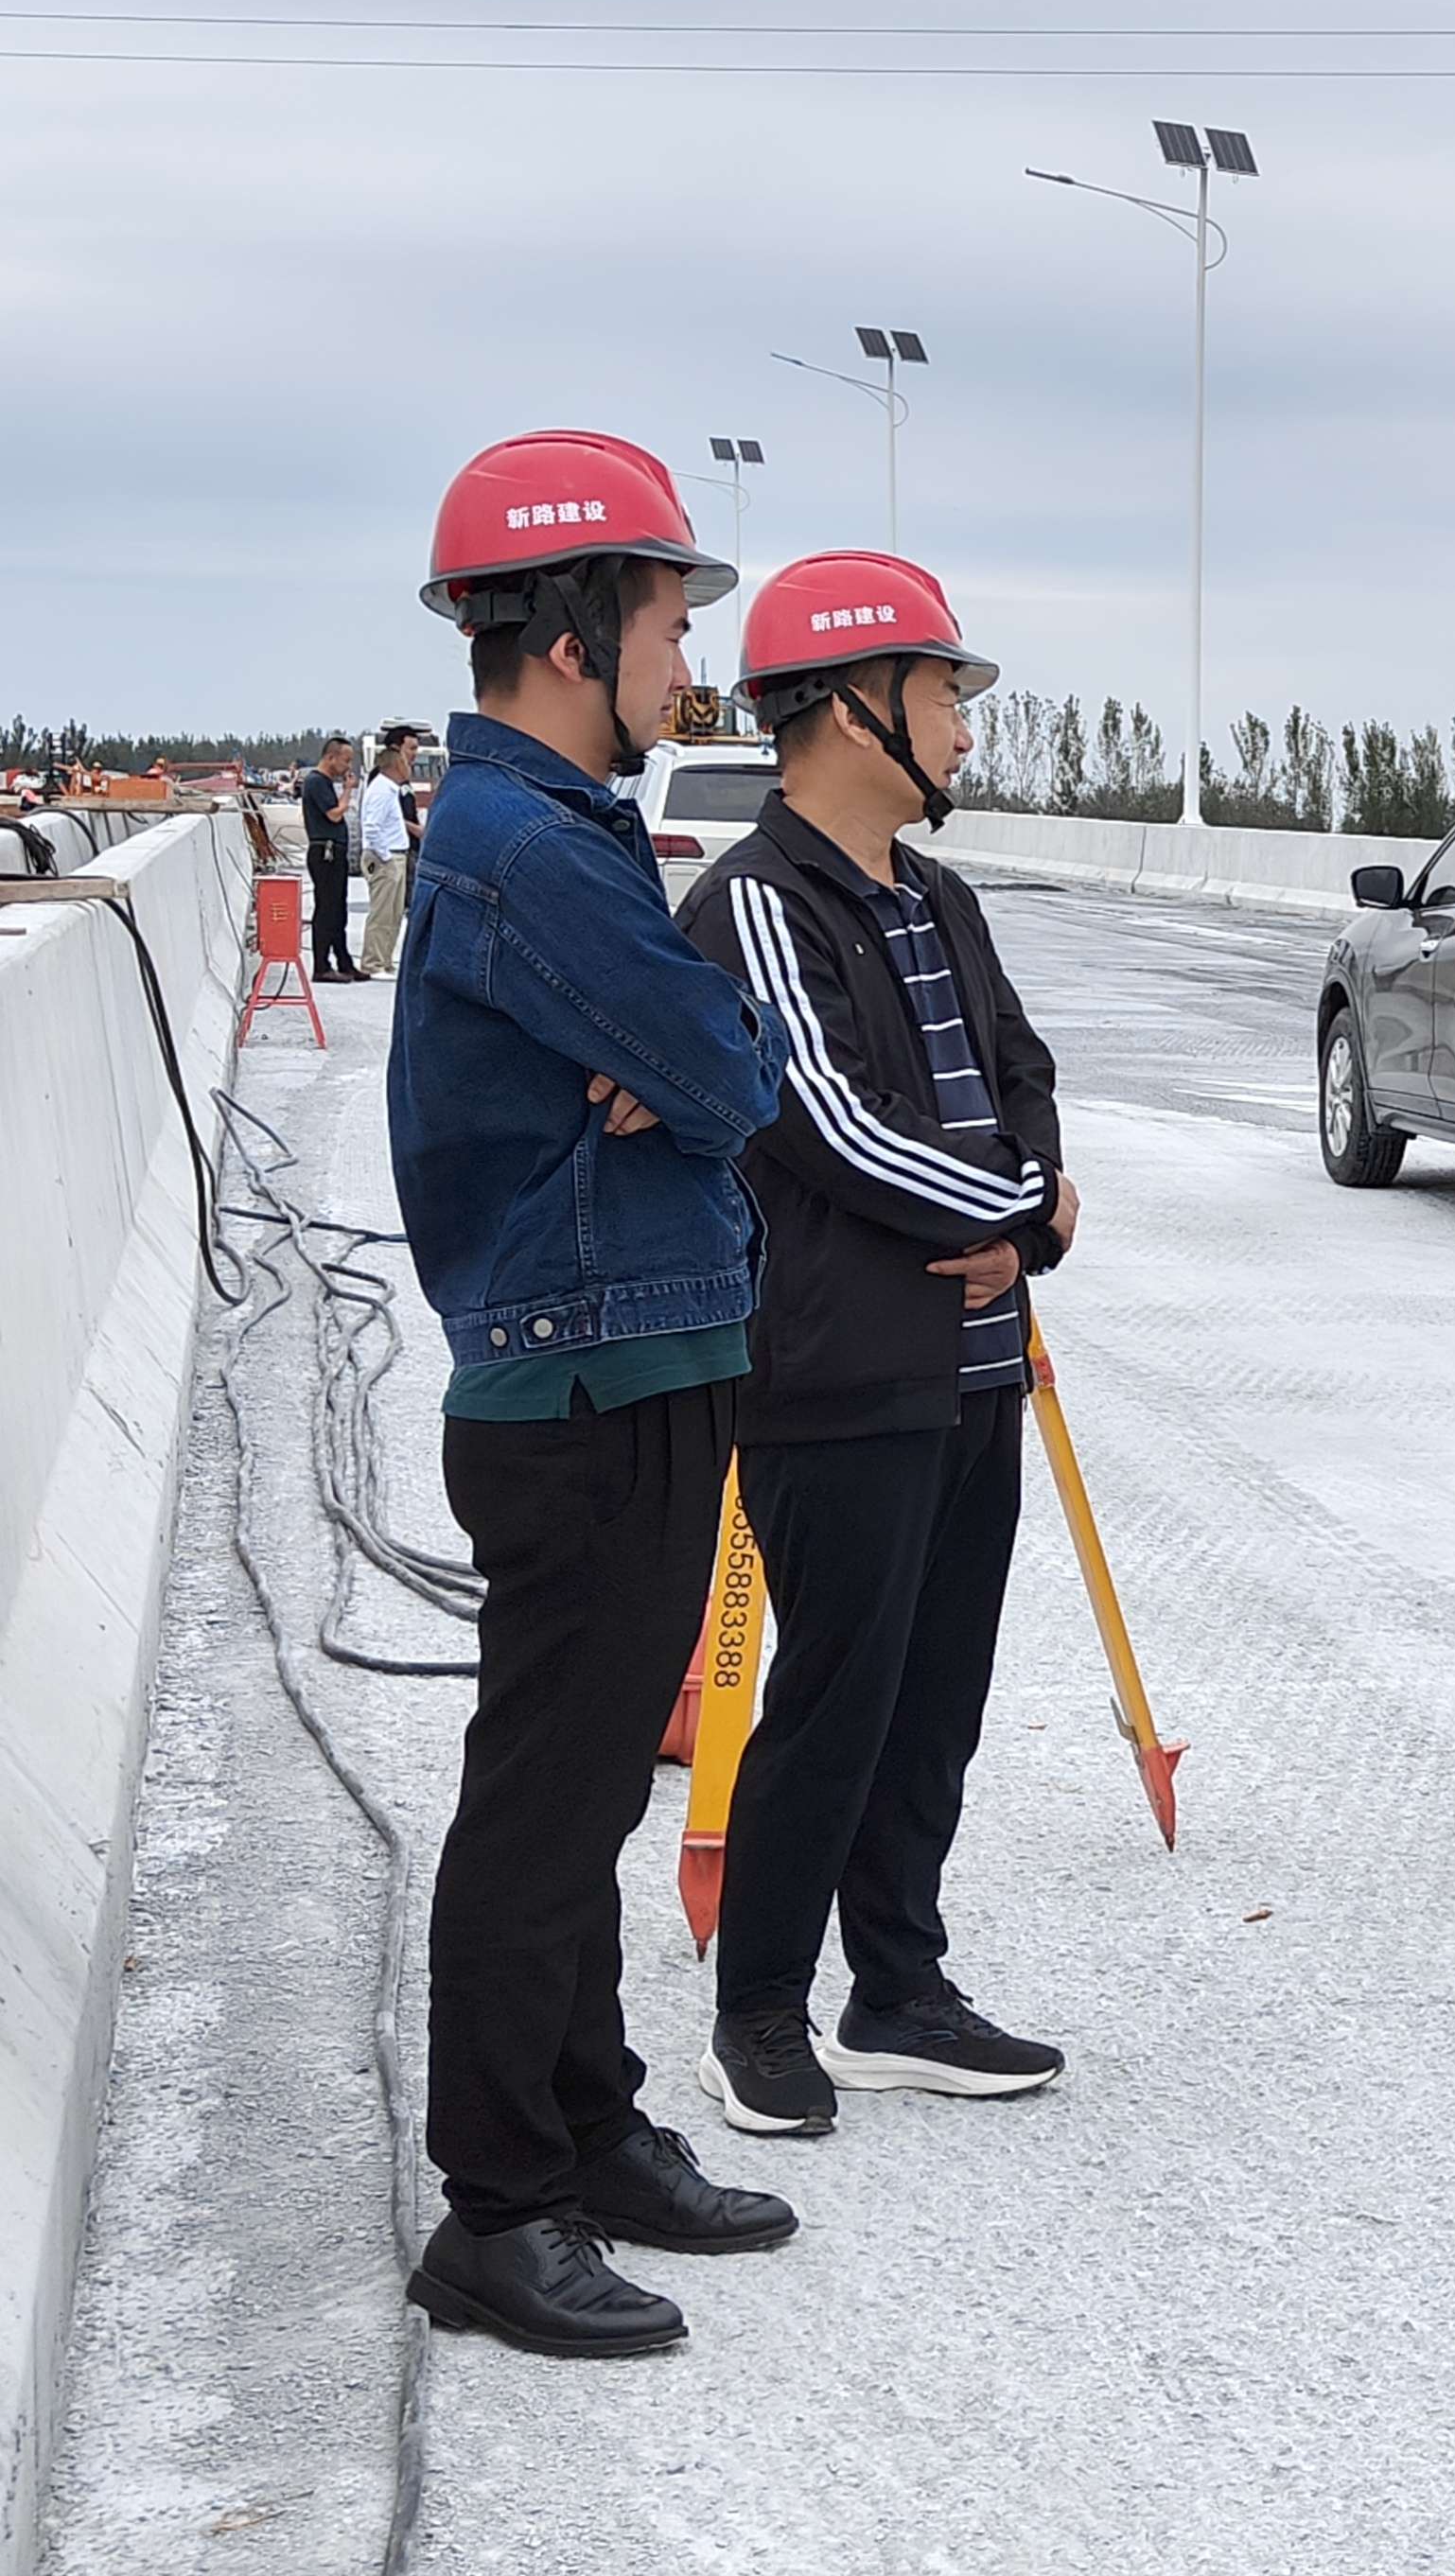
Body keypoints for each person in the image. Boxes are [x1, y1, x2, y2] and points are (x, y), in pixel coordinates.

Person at [389, 430, 797, 2359]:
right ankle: (497, 2204)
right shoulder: (531, 849)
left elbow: (713, 1055)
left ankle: (586, 2123)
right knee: (546, 1804)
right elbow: (733, 1072)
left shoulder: (557, 831)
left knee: (580, 1791)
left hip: (633, 1353)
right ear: (572, 633)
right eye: (665, 620)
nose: (683, 661)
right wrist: (694, 1061)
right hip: (583, 1378)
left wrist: (695, 1056)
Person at [679, 551, 1078, 2136]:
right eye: (942, 695)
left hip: (973, 1367)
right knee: (836, 1695)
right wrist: (1013, 1209)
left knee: (936, 1693)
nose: (965, 729)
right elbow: (828, 1124)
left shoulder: (938, 897)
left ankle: (897, 1989)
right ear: (854, 708)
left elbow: (1023, 1070)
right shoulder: (755, 904)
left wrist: (1028, 1226)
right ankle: (758, 2012)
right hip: (837, 1371)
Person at [359, 722, 421, 974]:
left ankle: (384, 961)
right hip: (387, 857)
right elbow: (372, 827)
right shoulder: (382, 789)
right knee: (382, 914)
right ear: (396, 763)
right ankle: (373, 962)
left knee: (394, 915)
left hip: (398, 855)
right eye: (407, 758)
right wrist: (385, 856)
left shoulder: (392, 789)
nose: (411, 764)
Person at [299, 733, 359, 980]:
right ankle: (321, 965)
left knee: (338, 909)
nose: (347, 767)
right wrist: (347, 792)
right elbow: (334, 814)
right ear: (330, 757)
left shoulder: (323, 782)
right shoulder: (316, 782)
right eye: (345, 761)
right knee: (326, 909)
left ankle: (343, 961)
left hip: (334, 851)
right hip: (325, 851)